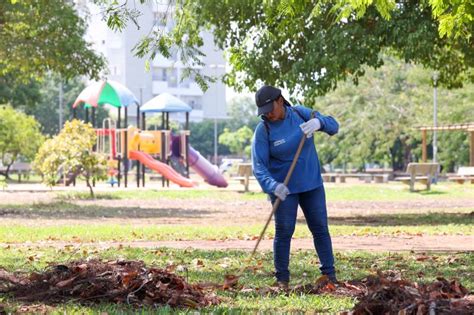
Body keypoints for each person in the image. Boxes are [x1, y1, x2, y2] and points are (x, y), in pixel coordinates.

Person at [251, 85, 339, 287]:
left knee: (320, 229)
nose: (268, 115)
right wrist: (273, 186)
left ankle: (330, 275)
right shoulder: (263, 130)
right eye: (263, 112)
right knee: (284, 231)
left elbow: (334, 126)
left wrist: (319, 123)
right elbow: (259, 167)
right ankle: (282, 278)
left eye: (270, 109)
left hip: (311, 184)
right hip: (284, 190)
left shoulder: (301, 113)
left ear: (280, 101)